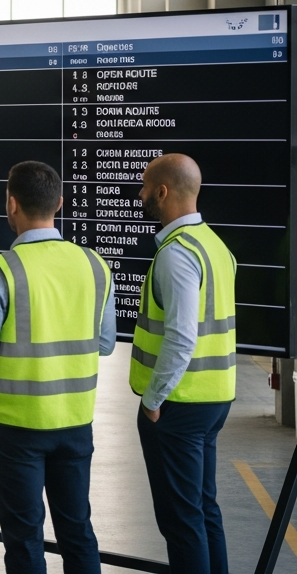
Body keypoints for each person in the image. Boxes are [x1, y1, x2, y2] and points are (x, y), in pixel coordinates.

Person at [0, 161, 115, 574]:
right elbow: (105, 343)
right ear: (59, 203)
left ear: (11, 204)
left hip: (17, 429)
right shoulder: (96, 266)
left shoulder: (1, 271)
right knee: (77, 530)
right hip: (75, 422)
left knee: (24, 538)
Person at [131, 153, 237, 574]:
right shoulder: (215, 245)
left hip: (179, 404)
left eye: (143, 188)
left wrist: (154, 400)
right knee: (203, 510)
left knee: (181, 520)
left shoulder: (176, 255)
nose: (139, 196)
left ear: (162, 191)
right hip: (214, 400)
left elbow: (180, 337)